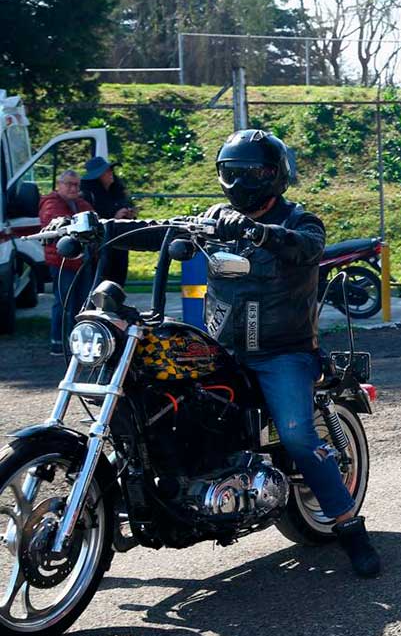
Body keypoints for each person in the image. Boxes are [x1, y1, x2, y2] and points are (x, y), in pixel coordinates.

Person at [103, 130, 381, 577]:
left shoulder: (300, 221)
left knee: (298, 438)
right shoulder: (215, 217)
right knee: (154, 402)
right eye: (232, 172)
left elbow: (306, 249)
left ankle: (350, 528)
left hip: (282, 353)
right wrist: (97, 226)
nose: (241, 180)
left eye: (253, 172)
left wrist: (259, 232)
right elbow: (158, 232)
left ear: (276, 175)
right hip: (220, 347)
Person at [38, 169, 95, 355]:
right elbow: (60, 225)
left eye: (76, 185)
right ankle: (58, 342)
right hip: (62, 263)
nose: (73, 188)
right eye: (69, 184)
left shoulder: (81, 203)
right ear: (59, 185)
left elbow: (95, 220)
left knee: (83, 305)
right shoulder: (51, 204)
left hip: (81, 262)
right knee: (64, 304)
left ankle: (78, 342)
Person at [80, 155, 136, 287]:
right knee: (101, 284)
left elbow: (127, 206)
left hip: (121, 243)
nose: (111, 173)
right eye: (106, 171)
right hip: (102, 248)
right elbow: (91, 222)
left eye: (110, 170)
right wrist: (113, 219)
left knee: (118, 282)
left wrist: (130, 214)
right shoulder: (87, 196)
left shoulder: (118, 191)